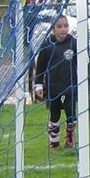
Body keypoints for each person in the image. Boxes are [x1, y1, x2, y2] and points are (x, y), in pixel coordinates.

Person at [30, 13, 81, 150]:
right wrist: (38, 85)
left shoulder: (73, 43)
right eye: (59, 26)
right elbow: (40, 67)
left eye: (65, 26)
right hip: (53, 88)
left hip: (69, 87)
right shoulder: (47, 45)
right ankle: (54, 142)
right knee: (54, 114)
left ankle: (70, 138)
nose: (63, 29)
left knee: (71, 114)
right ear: (53, 29)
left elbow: (81, 63)